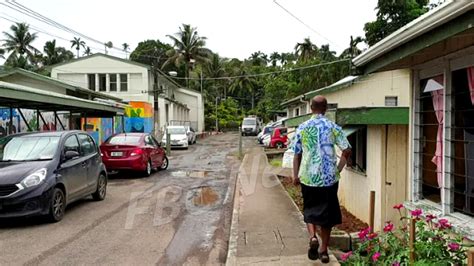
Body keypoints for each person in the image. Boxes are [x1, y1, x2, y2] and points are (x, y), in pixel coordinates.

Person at [292, 95, 351, 263]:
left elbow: (297, 154)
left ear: (311, 108)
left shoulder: (302, 127)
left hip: (308, 177)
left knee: (310, 210)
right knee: (328, 215)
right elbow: (347, 150)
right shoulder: (333, 127)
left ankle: (312, 238)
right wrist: (337, 170)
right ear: (325, 109)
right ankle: (324, 251)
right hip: (328, 179)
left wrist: (295, 175)